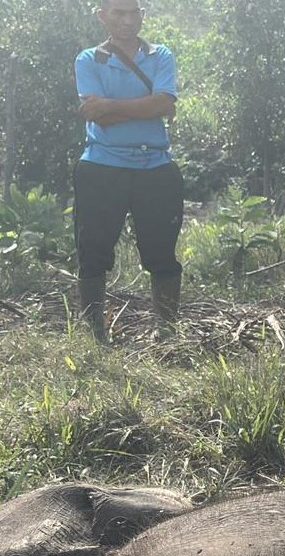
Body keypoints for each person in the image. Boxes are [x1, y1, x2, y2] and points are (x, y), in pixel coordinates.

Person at [74, 0, 182, 342]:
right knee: (93, 251)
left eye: (133, 12)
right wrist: (148, 108)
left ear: (143, 16)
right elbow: (99, 117)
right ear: (102, 16)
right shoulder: (89, 59)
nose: (126, 20)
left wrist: (110, 105)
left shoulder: (161, 55)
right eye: (118, 13)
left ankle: (166, 331)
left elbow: (164, 102)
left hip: (157, 168)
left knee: (161, 252)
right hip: (101, 167)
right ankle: (96, 336)